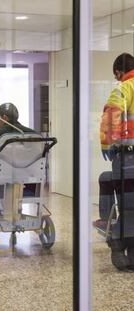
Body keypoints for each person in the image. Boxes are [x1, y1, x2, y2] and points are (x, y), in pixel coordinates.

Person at [97, 52, 134, 270]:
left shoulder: (123, 88)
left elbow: (111, 118)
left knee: (127, 202)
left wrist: (107, 145)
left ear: (119, 72)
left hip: (128, 156)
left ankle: (117, 239)